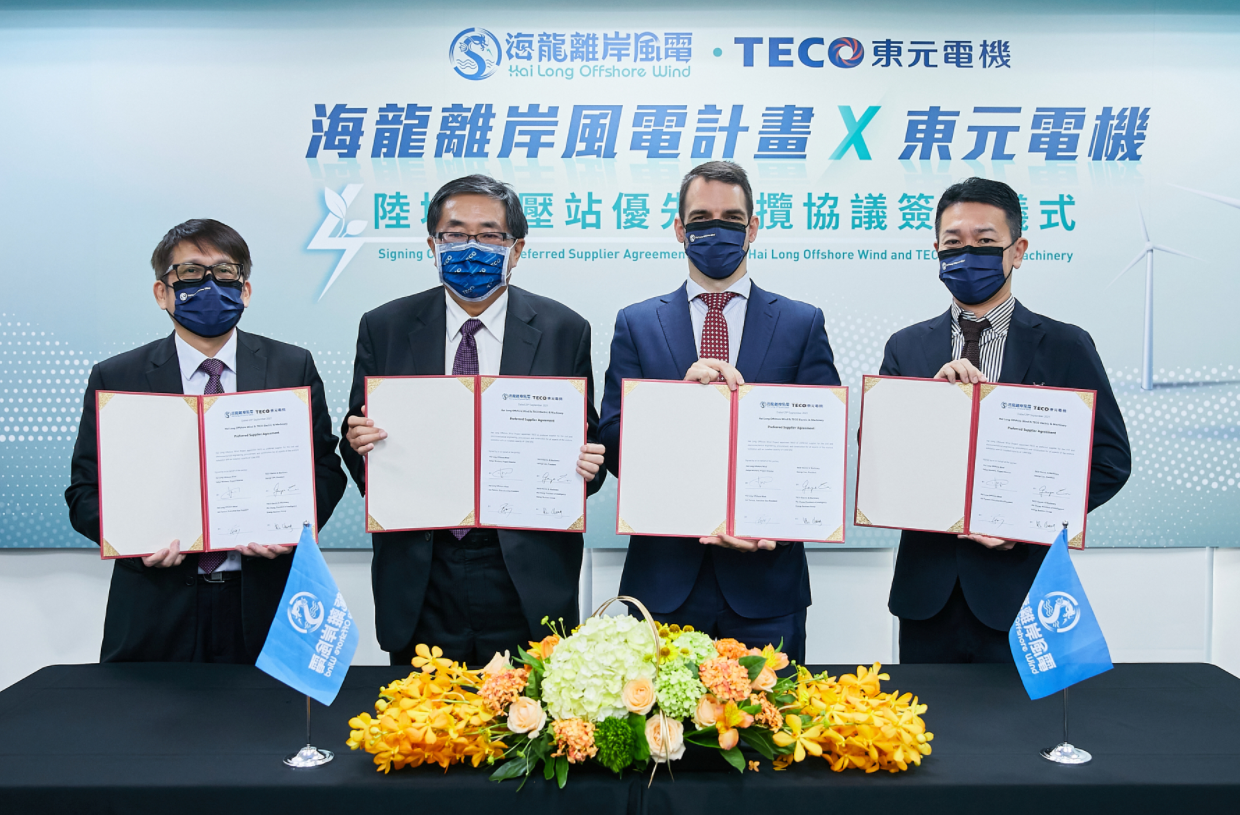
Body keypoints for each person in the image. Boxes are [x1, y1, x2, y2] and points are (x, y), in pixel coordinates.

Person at [341, 174, 606, 667]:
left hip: (524, 573)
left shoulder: (564, 329)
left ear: (516, 248)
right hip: (423, 569)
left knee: (523, 714)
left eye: (489, 236)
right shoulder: (385, 326)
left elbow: (587, 442)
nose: (471, 248)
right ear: (432, 245)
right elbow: (353, 438)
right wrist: (365, 448)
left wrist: (588, 466)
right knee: (420, 713)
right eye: (455, 234)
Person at [65, 219, 347, 663]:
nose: (210, 285)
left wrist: (293, 531)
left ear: (245, 290)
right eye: (191, 272)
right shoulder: (118, 377)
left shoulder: (291, 366)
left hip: (266, 600)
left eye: (225, 272)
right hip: (155, 605)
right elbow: (85, 492)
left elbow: (326, 470)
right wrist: (134, 542)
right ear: (162, 292)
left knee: (271, 710)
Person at [881, 177, 1131, 663]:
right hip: (926, 593)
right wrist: (925, 408)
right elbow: (880, 458)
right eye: (954, 243)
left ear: (1017, 250)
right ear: (936, 251)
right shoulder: (907, 347)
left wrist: (1028, 523)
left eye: (985, 241)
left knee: (1018, 714)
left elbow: (1109, 461)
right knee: (925, 714)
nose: (967, 254)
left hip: (1022, 591)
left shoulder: (1065, 345)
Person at [598, 161, 840, 664]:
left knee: (774, 713)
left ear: (752, 228)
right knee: (660, 716)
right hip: (663, 582)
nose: (717, 230)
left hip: (766, 582)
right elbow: (615, 442)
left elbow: (822, 446)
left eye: (731, 218)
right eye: (701, 219)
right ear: (679, 229)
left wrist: (773, 525)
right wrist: (678, 406)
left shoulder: (801, 322)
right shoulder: (637, 323)